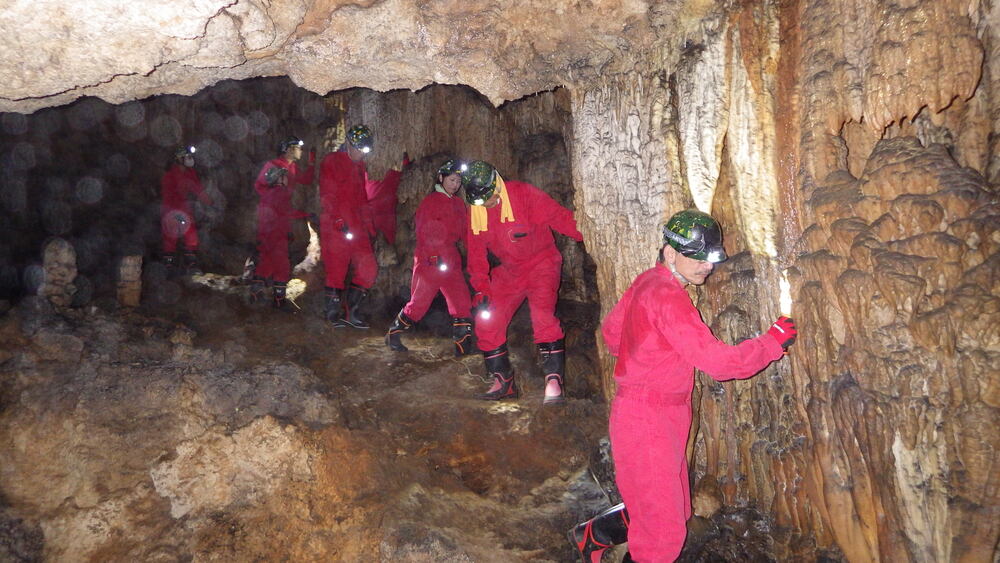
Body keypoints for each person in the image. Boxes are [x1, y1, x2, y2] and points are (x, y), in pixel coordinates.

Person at [569, 209, 798, 562]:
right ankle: (599, 539)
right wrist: (771, 342)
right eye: (697, 257)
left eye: (710, 257)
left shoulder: (647, 281)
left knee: (667, 505)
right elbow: (719, 364)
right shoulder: (669, 297)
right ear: (670, 252)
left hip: (650, 411)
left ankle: (593, 536)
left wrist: (651, 355)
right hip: (650, 417)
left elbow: (613, 335)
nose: (706, 265)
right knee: (664, 531)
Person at [462, 160, 583, 405]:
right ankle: (502, 381)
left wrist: (591, 234)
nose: (487, 205)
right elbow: (476, 256)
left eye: (490, 199)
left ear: (496, 185)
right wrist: (481, 289)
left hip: (542, 262)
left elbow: (560, 218)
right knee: (488, 317)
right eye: (482, 203)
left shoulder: (523, 194)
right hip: (510, 270)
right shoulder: (476, 214)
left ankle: (553, 380)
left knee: (542, 315)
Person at [318, 124, 405, 328]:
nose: (360, 154)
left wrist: (369, 226)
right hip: (335, 227)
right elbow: (328, 194)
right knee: (336, 271)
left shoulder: (360, 166)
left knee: (369, 268)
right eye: (358, 149)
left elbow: (362, 199)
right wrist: (338, 221)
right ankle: (331, 314)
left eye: (364, 150)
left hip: (357, 227)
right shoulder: (332, 161)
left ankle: (352, 311)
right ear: (349, 143)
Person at [386, 159, 475, 355]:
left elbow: (465, 233)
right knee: (419, 304)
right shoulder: (431, 202)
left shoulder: (459, 204)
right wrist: (434, 257)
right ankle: (393, 334)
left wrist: (474, 253)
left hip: (451, 258)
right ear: (441, 178)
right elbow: (424, 231)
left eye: (458, 181)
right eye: (452, 180)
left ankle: (463, 346)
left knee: (462, 302)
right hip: (430, 260)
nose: (455, 184)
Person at [250, 135, 315, 312]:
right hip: (271, 221)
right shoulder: (274, 166)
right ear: (287, 149)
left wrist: (311, 163)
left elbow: (305, 180)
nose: (299, 150)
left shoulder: (291, 167)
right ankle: (278, 300)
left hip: (277, 219)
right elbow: (259, 185)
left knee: (267, 259)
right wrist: (275, 186)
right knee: (281, 262)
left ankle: (255, 292)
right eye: (297, 147)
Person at [160, 145, 213, 276]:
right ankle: (169, 267)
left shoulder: (190, 173)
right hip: (171, 210)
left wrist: (209, 201)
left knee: (191, 237)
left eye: (190, 157)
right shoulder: (170, 175)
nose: (190, 160)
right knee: (171, 238)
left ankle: (191, 265)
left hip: (184, 209)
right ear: (179, 159)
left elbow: (198, 189)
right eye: (187, 157)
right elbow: (169, 194)